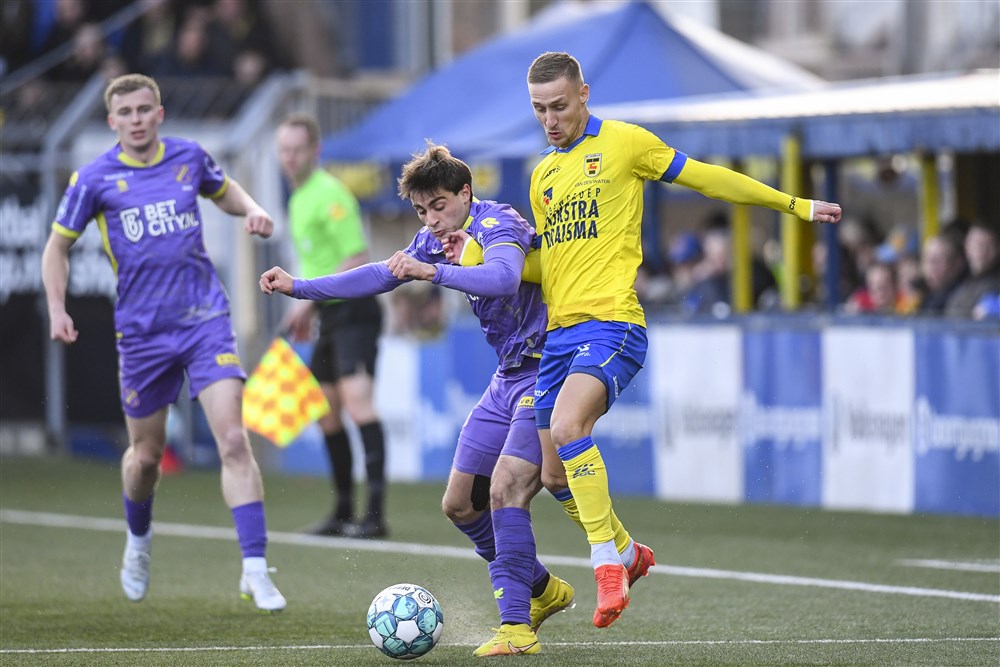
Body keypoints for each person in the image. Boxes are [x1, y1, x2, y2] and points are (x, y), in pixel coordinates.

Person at [457, 51, 841, 629]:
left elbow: (708, 178)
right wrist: (474, 258)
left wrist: (795, 205)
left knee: (566, 430)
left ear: (584, 93)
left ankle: (606, 565)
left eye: (559, 106)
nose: (550, 119)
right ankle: (631, 552)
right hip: (558, 339)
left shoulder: (625, 144)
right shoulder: (543, 176)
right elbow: (550, 264)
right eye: (539, 110)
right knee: (555, 473)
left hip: (613, 325)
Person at [260, 144, 575, 656]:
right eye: (423, 211)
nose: (432, 220)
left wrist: (434, 273)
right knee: (458, 505)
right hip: (508, 375)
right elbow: (381, 274)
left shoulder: (499, 223)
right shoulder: (435, 236)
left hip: (547, 367)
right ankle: (541, 588)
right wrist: (300, 287)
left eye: (440, 206)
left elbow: (502, 278)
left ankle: (517, 626)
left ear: (466, 193)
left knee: (506, 488)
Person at [40, 73, 285, 612]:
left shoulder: (189, 157)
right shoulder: (95, 178)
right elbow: (56, 249)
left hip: (204, 320)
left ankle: (254, 568)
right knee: (146, 457)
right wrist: (57, 308)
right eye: (125, 112)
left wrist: (252, 210)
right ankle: (139, 540)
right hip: (143, 334)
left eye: (144, 109)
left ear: (159, 113)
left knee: (234, 440)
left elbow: (226, 191)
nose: (135, 119)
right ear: (112, 121)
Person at [275, 113, 388, 539]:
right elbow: (317, 262)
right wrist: (304, 306)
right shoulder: (298, 197)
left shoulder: (330, 194)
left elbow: (357, 257)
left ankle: (375, 516)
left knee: (359, 405)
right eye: (283, 150)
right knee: (324, 412)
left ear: (315, 151)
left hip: (354, 311)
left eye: (296, 149)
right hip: (328, 313)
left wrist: (309, 296)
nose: (288, 158)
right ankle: (342, 513)